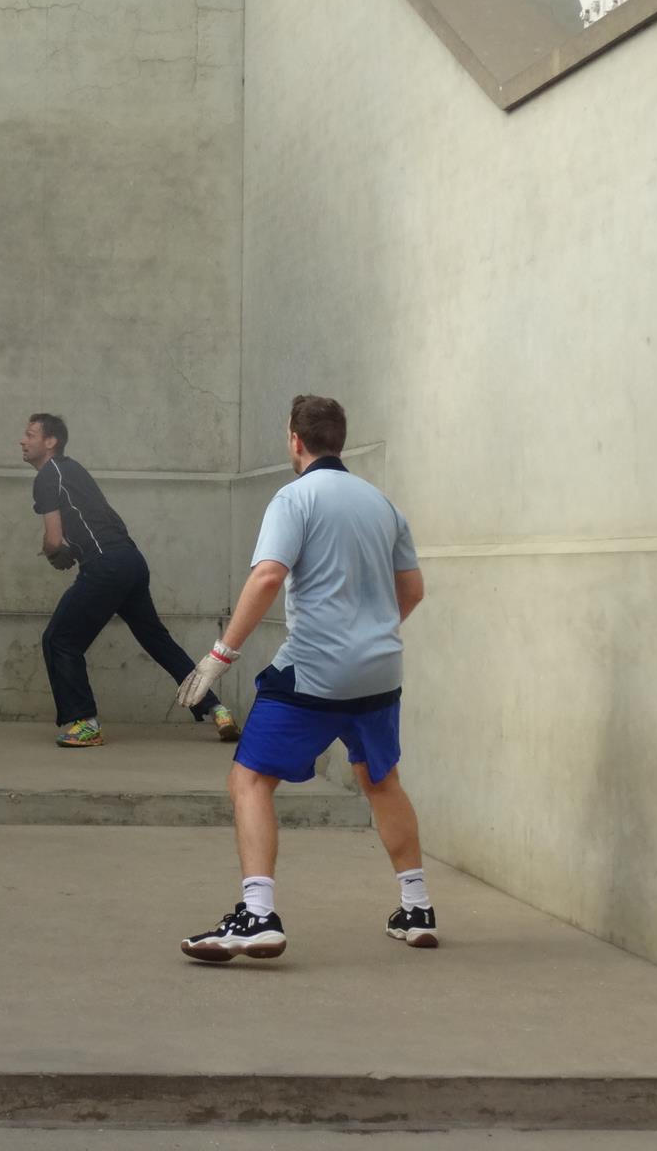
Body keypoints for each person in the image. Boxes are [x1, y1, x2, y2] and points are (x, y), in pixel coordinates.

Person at [174, 394, 432, 961]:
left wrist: (221, 655)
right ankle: (416, 907)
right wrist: (369, 635)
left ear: (295, 440)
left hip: (314, 673)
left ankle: (258, 917)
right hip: (380, 671)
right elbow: (411, 591)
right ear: (339, 439)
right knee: (381, 780)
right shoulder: (383, 505)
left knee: (249, 781)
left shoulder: (294, 498)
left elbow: (268, 576)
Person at [21, 413, 241, 748]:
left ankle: (86, 723)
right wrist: (66, 551)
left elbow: (53, 540)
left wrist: (55, 554)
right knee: (157, 640)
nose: (23, 441)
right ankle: (217, 708)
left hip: (105, 566)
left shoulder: (47, 476)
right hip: (131, 561)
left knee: (60, 639)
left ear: (50, 441)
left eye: (30, 434)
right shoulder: (74, 469)